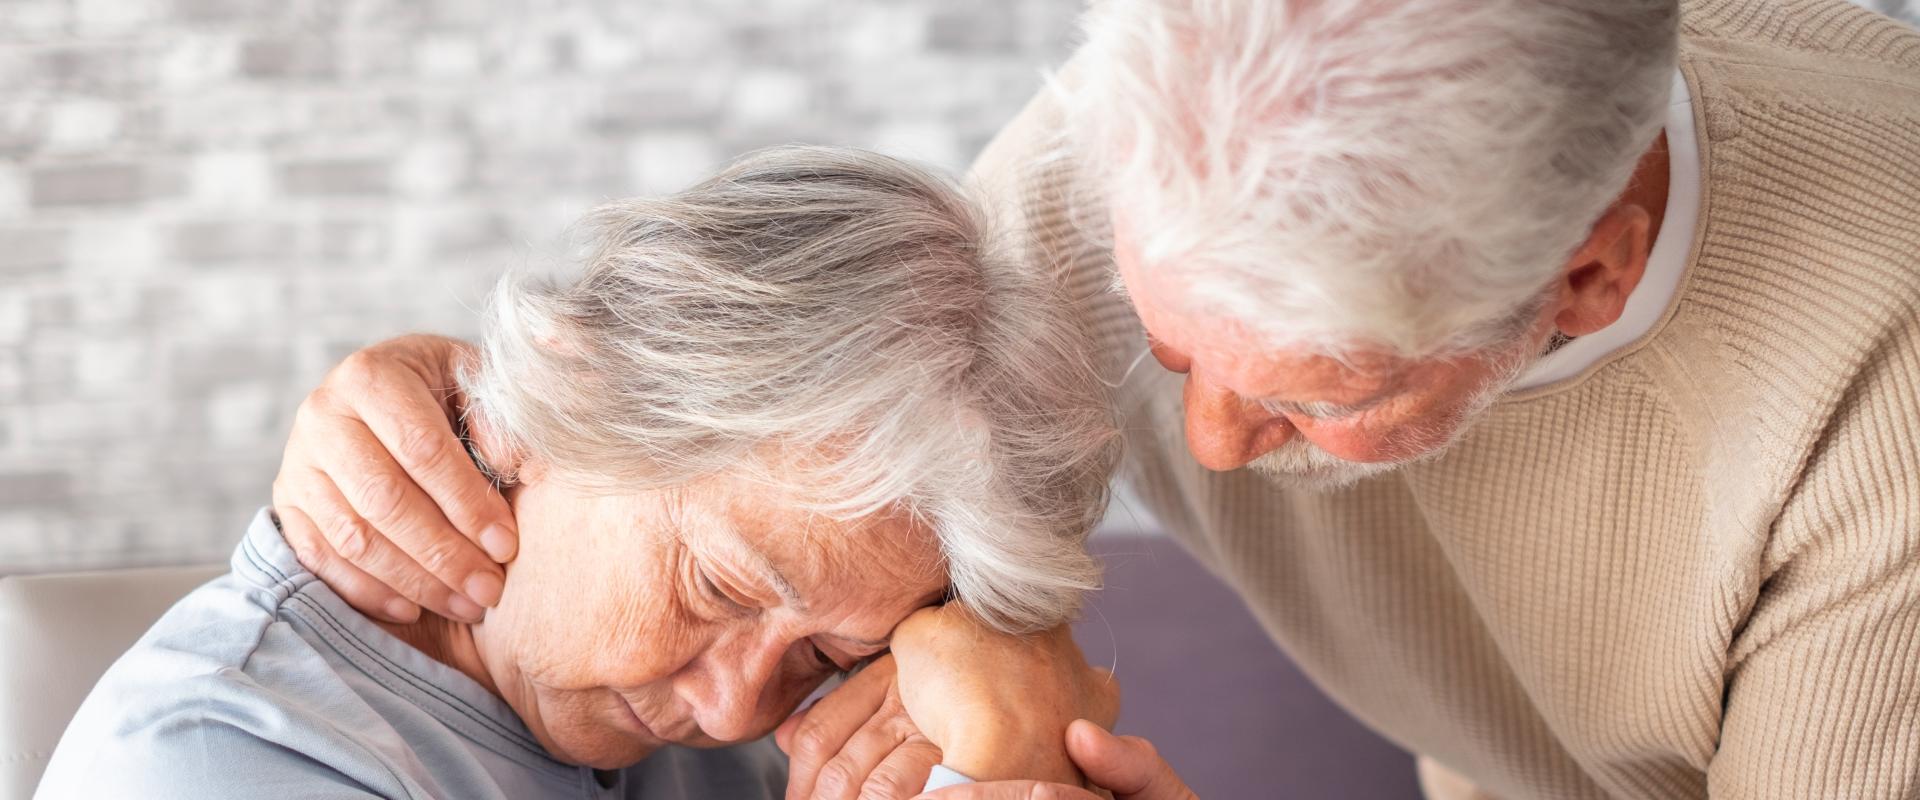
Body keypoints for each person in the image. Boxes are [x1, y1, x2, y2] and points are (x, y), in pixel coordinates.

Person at [268, 0, 1920, 797]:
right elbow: (747, 412)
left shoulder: (1881, 413)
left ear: (1584, 284)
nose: (1200, 451)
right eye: (1169, 338)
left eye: (1309, 400)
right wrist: (451, 400)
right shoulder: (1132, 164)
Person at [34, 147, 1122, 799]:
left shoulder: (679, 734)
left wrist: (1006, 732)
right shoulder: (220, 760)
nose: (739, 703)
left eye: (833, 652)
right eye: (721, 588)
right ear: (569, 388)